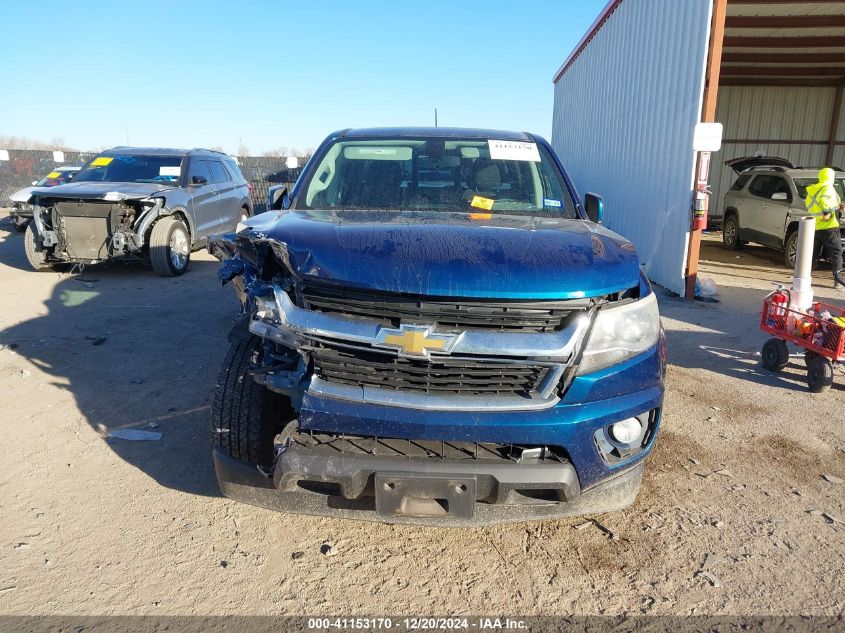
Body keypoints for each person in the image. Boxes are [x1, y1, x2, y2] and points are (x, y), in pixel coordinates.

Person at [805, 167, 844, 290]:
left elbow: (809, 204)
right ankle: (838, 281)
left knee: (812, 254)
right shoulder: (828, 188)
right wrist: (826, 212)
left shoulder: (813, 189)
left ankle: (804, 278)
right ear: (831, 177)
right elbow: (824, 201)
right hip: (829, 226)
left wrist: (839, 206)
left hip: (815, 226)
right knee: (836, 252)